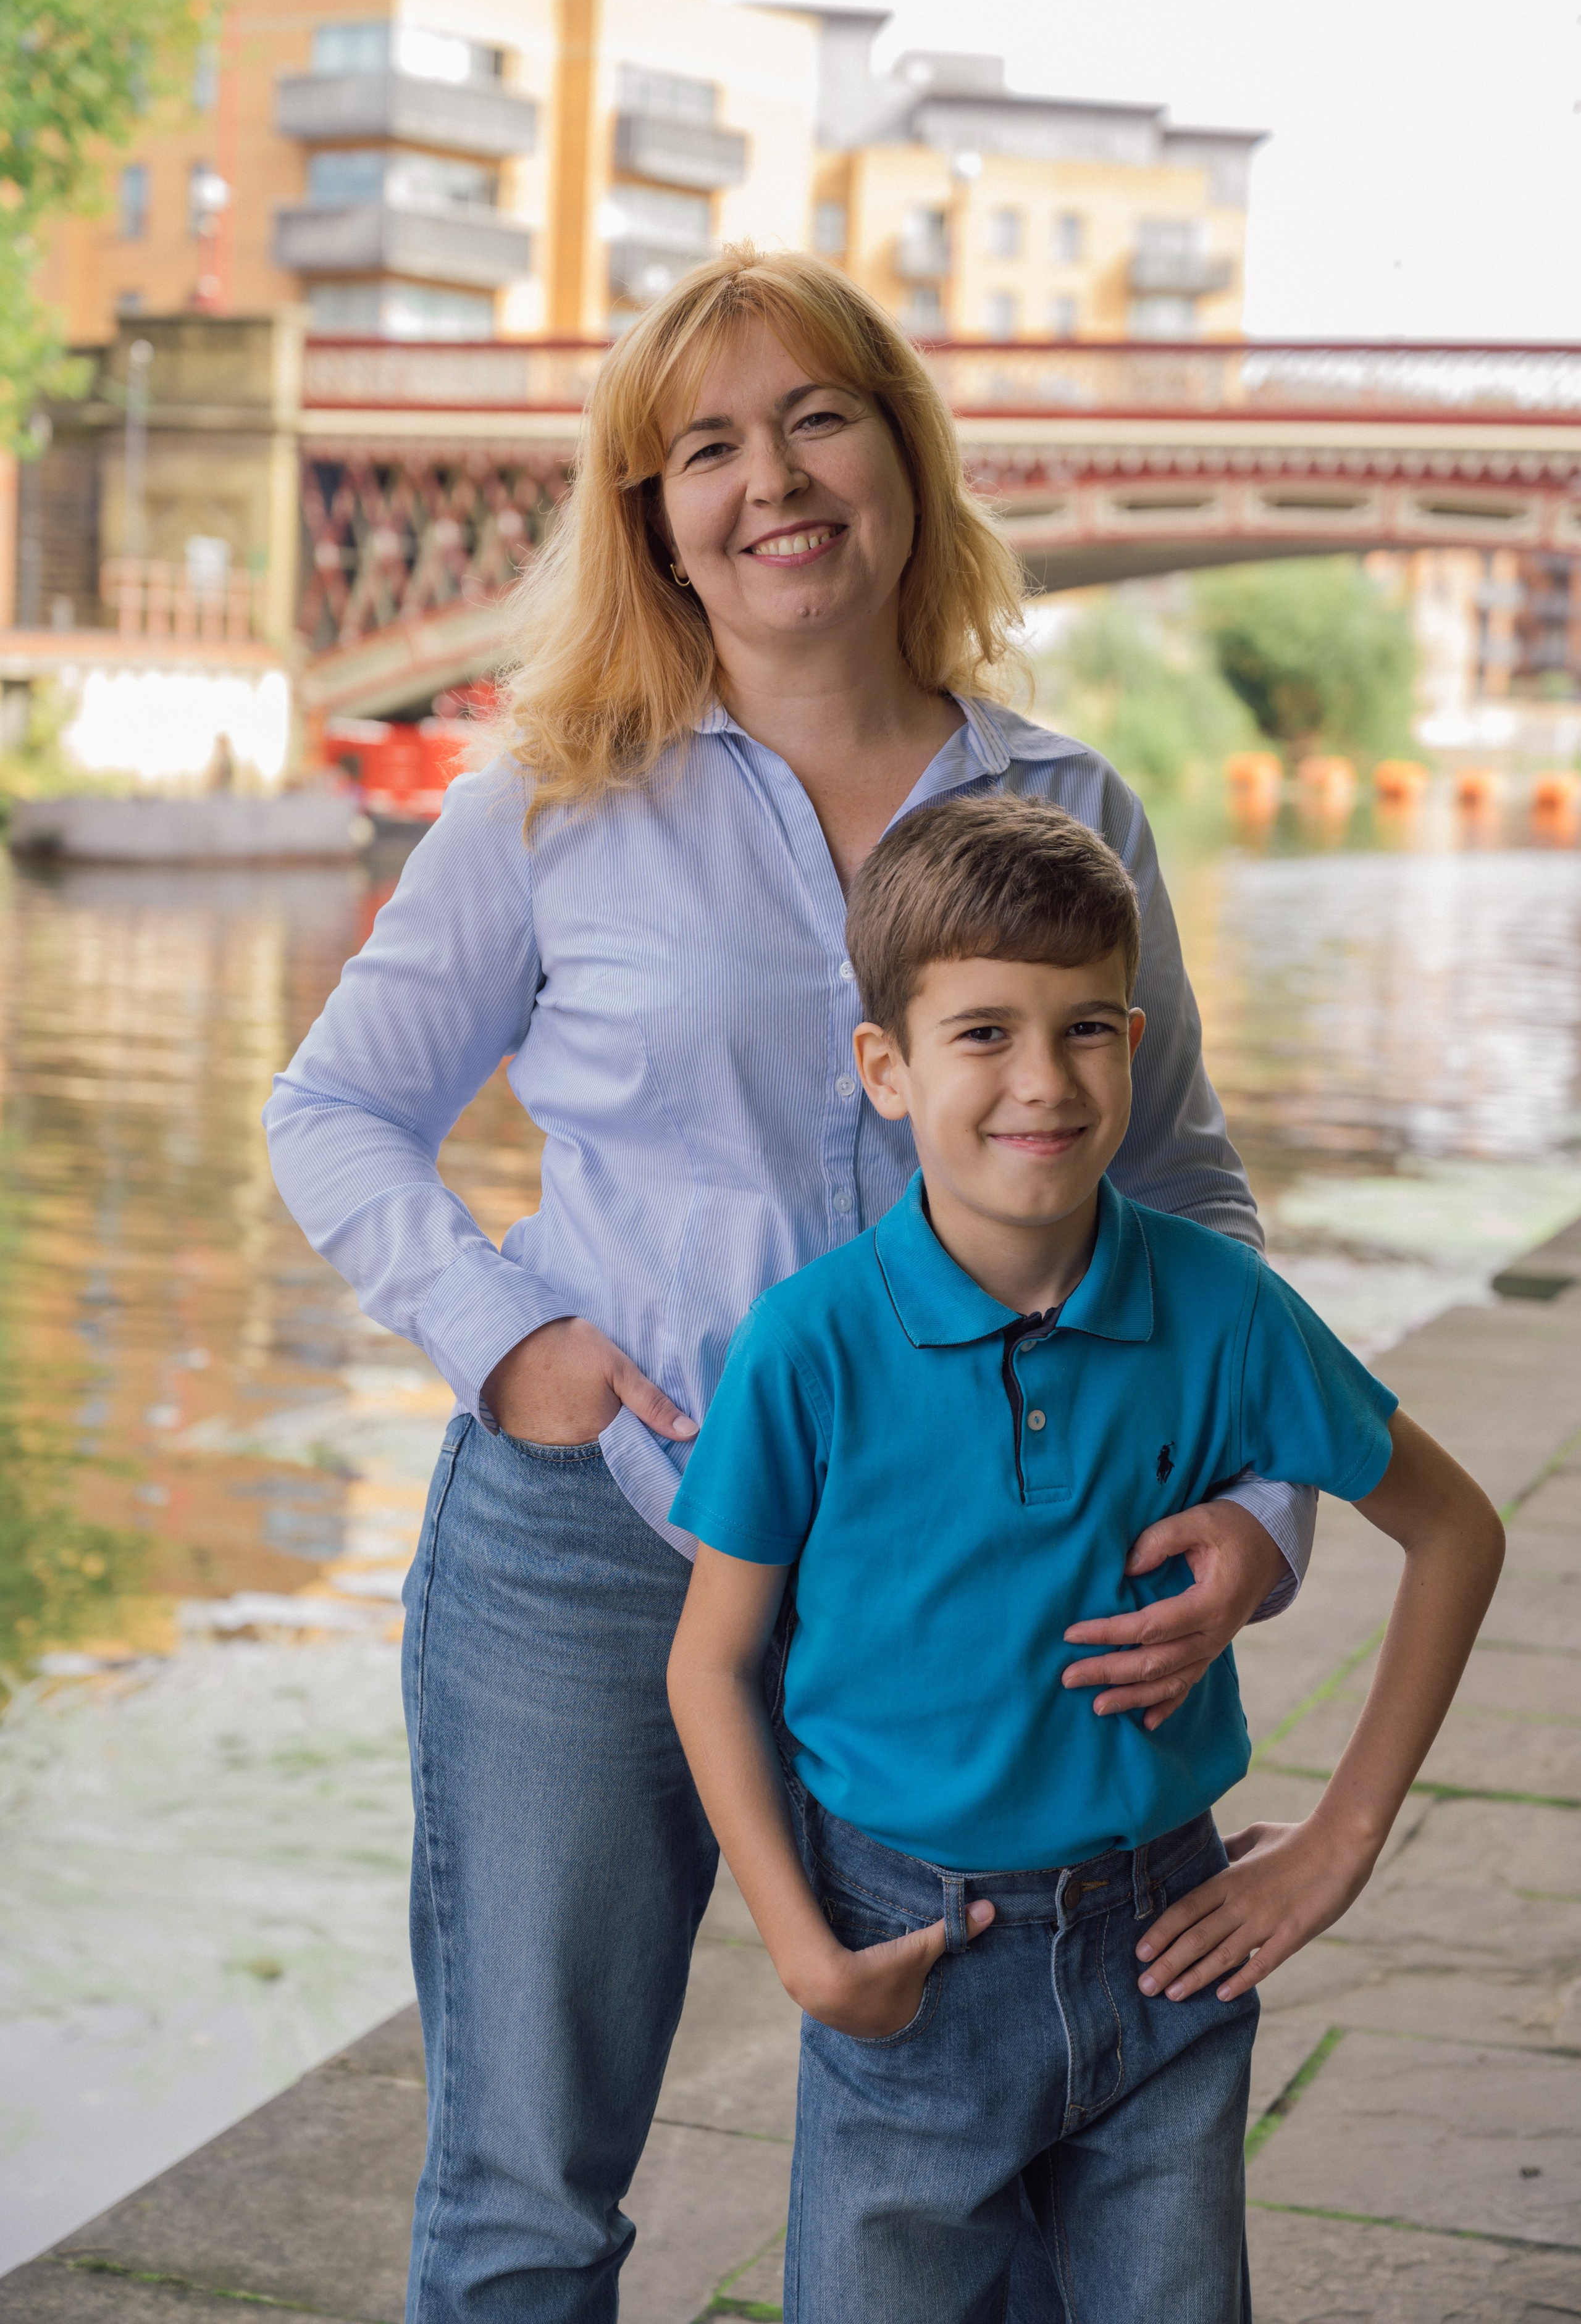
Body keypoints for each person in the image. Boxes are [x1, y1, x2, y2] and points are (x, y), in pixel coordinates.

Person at [265, 246, 1319, 2322]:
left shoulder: (1065, 807)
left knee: (998, 2161)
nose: (774, 480)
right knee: (529, 2185)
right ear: (654, 515)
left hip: (965, 1573)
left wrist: (1263, 1510)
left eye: (820, 418)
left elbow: (1187, 1189)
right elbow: (335, 1112)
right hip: (601, 1550)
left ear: (903, 458)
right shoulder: (552, 801)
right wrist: (511, 1343)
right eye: (709, 448)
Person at [666, 794, 1505, 2324]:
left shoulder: (1224, 1309)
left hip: (1166, 1951)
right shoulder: (808, 1346)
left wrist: (1342, 1839)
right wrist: (801, 1948)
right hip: (905, 1966)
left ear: (1134, 1038)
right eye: (981, 1033)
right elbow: (710, 1661)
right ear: (885, 1067)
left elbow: (1453, 1529)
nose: (1042, 1081)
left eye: (1084, 1031)